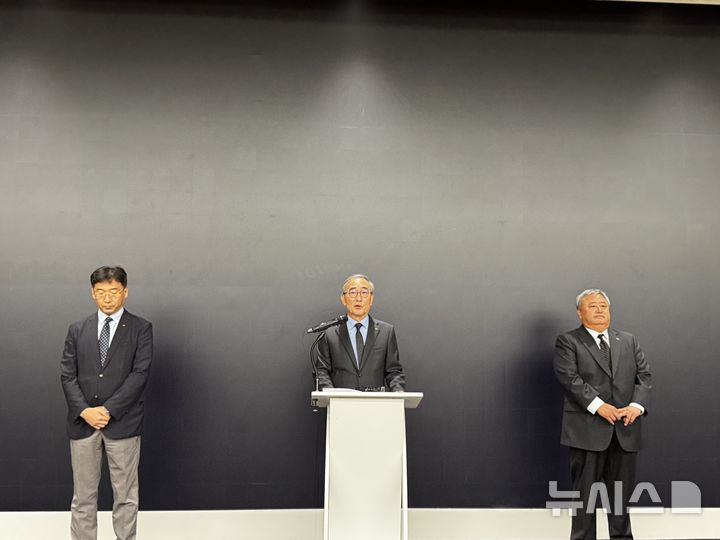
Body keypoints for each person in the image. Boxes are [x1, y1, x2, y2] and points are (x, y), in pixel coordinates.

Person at [60, 266, 153, 540]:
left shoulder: (141, 328)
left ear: (125, 292)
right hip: (84, 424)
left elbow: (140, 374)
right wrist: (85, 411)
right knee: (83, 498)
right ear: (92, 293)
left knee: (125, 496)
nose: (108, 298)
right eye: (101, 292)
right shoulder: (77, 329)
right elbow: (67, 375)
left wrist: (109, 410)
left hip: (123, 424)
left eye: (114, 291)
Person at [553, 289, 652, 540]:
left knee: (620, 500)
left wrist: (636, 406)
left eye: (603, 306)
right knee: (585, 499)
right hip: (587, 431)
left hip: (625, 431)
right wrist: (599, 406)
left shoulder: (628, 340)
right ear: (580, 312)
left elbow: (644, 376)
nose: (599, 310)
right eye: (592, 306)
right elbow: (569, 378)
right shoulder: (568, 341)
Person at [315, 274, 405, 391]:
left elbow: (393, 371)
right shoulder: (329, 333)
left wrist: (398, 392)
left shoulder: (386, 332)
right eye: (353, 292)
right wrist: (331, 395)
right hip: (341, 401)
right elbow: (321, 371)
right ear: (343, 299)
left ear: (371, 299)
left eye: (364, 292)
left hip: (375, 401)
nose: (359, 298)